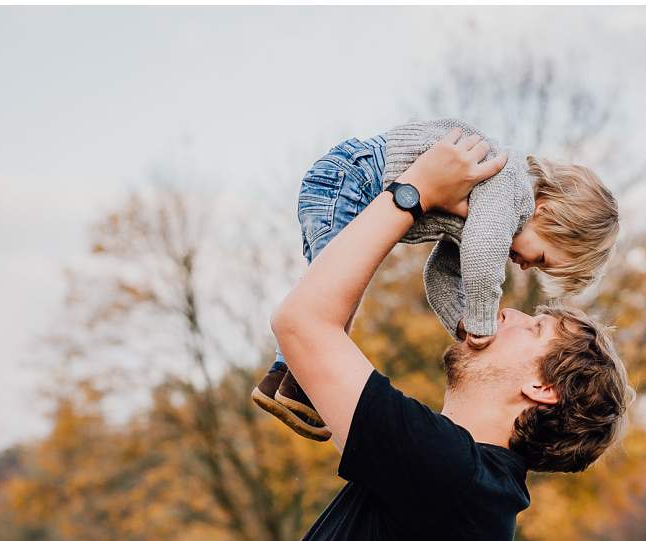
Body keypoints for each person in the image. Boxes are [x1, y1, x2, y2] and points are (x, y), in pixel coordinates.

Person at [210, 130, 633, 541]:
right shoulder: (453, 478)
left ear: (542, 386)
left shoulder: (455, 480)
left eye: (532, 327)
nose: (508, 312)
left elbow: (302, 322)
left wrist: (411, 194)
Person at [250, 117, 620, 440]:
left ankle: (283, 380)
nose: (525, 267)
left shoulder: (484, 219)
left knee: (335, 295)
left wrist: (461, 322)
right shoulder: (509, 187)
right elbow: (480, 257)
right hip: (350, 180)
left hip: (350, 188)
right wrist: (482, 320)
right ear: (548, 212)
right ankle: (297, 379)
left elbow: (441, 273)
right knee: (334, 294)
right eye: (540, 258)